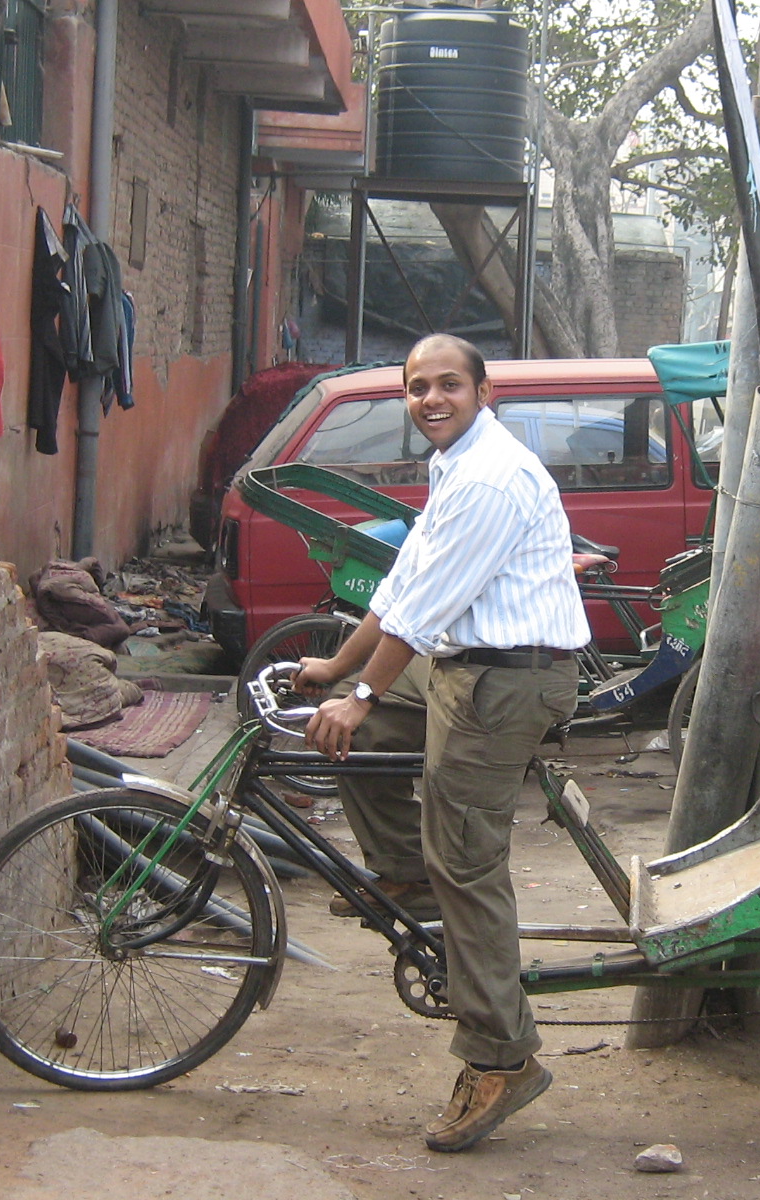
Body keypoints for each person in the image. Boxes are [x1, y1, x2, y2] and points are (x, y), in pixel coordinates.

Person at [294, 333, 589, 1154]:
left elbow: (425, 613)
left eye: (448, 384)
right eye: (417, 386)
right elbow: (402, 588)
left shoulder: (491, 476)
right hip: (465, 668)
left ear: (483, 392)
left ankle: (503, 1058)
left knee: (467, 856)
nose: (431, 398)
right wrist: (338, 669)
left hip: (508, 681)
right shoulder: (454, 462)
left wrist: (360, 694)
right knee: (354, 734)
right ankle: (406, 875)